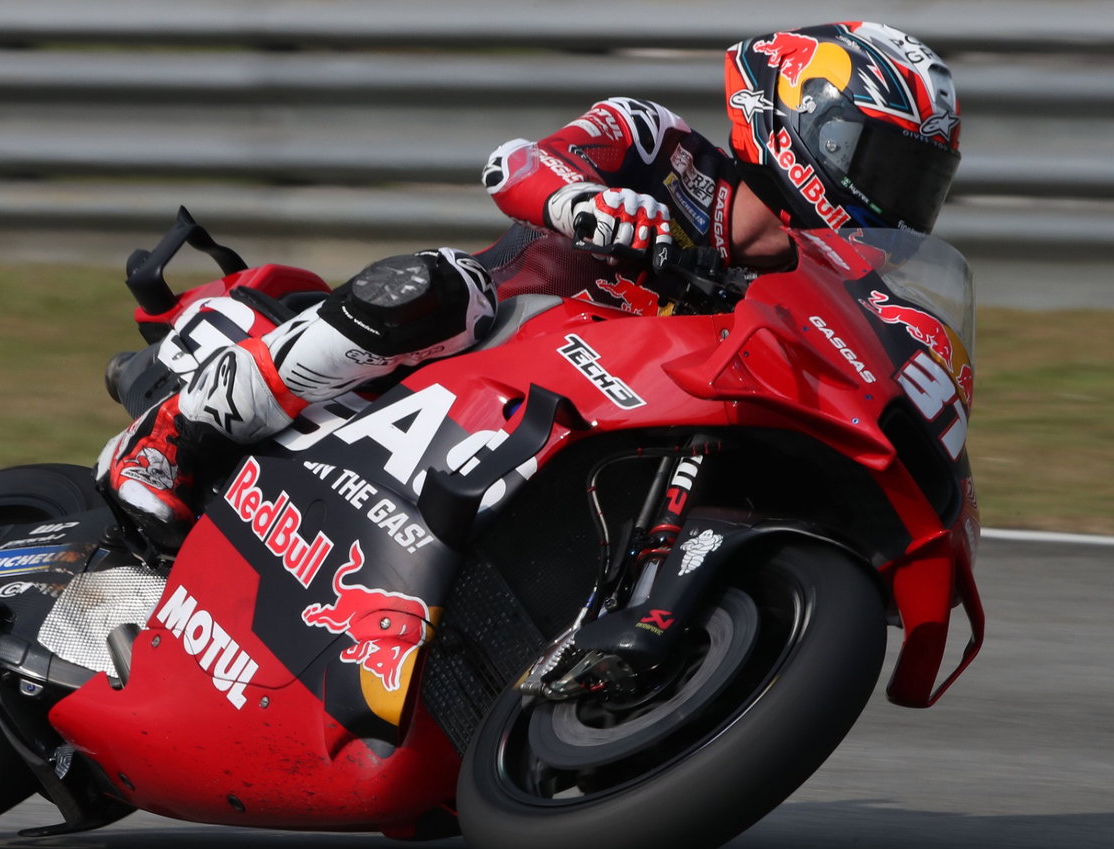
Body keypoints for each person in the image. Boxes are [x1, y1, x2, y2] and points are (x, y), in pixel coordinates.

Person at [97, 21, 962, 549]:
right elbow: (515, 164)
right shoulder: (659, 142)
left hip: (597, 419)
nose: (897, 203)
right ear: (806, 123)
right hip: (495, 340)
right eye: (884, 165)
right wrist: (583, 202)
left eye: (920, 185)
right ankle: (180, 430)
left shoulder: (820, 297)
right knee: (440, 287)